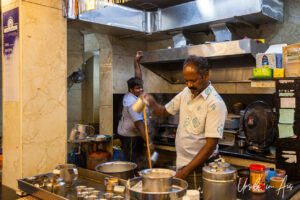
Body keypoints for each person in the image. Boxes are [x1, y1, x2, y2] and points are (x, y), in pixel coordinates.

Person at [141, 55, 227, 188]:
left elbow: (210, 146)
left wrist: (185, 172)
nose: (189, 85)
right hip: (182, 164)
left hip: (200, 168)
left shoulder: (215, 103)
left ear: (206, 75)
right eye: (186, 81)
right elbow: (163, 112)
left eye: (193, 80)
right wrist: (151, 102)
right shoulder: (185, 93)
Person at [117, 51, 153, 170]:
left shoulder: (135, 95)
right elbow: (139, 125)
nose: (141, 90)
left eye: (141, 87)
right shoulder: (131, 102)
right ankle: (131, 181)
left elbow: (138, 78)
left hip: (135, 135)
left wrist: (136, 61)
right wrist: (149, 142)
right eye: (138, 88)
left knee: (137, 161)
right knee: (132, 163)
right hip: (129, 137)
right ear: (131, 90)